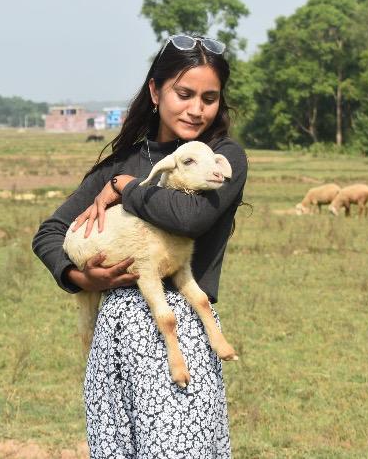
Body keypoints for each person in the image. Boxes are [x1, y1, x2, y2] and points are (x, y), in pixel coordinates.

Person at [32, 34, 247, 458]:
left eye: (209, 97)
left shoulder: (220, 159)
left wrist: (127, 189)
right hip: (113, 336)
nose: (197, 108)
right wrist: (79, 275)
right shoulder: (121, 162)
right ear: (155, 90)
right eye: (184, 94)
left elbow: (190, 217)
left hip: (179, 332)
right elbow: (49, 233)